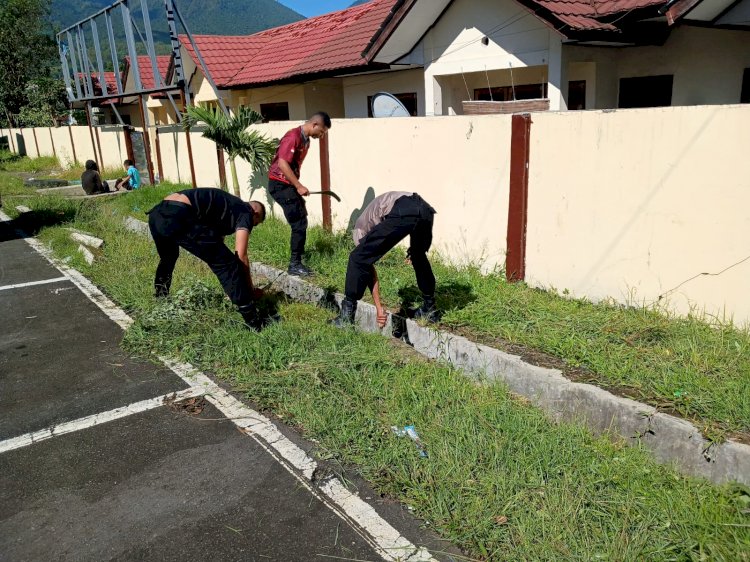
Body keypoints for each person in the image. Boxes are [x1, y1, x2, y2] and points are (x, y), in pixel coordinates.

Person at [147, 188, 268, 330]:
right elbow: (241, 256)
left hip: (157, 214)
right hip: (178, 215)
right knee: (228, 264)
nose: (252, 226)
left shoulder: (228, 205)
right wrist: (250, 290)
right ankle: (253, 321)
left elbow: (215, 242)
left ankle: (161, 297)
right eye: (255, 223)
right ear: (256, 213)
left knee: (168, 257)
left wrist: (231, 287)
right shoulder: (246, 211)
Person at [332, 191, 438, 328]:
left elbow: (366, 265)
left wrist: (378, 307)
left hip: (404, 210)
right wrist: (379, 307)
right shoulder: (373, 212)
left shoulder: (359, 229)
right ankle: (430, 309)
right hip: (425, 211)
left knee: (357, 257)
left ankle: (346, 317)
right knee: (418, 256)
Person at [267, 112, 331, 277]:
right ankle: (294, 264)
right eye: (322, 131)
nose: (322, 135)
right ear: (315, 125)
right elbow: (282, 163)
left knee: (301, 217)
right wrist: (298, 185)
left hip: (287, 185)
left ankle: (297, 261)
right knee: (299, 222)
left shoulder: (305, 140)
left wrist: (296, 186)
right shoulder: (293, 136)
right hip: (279, 185)